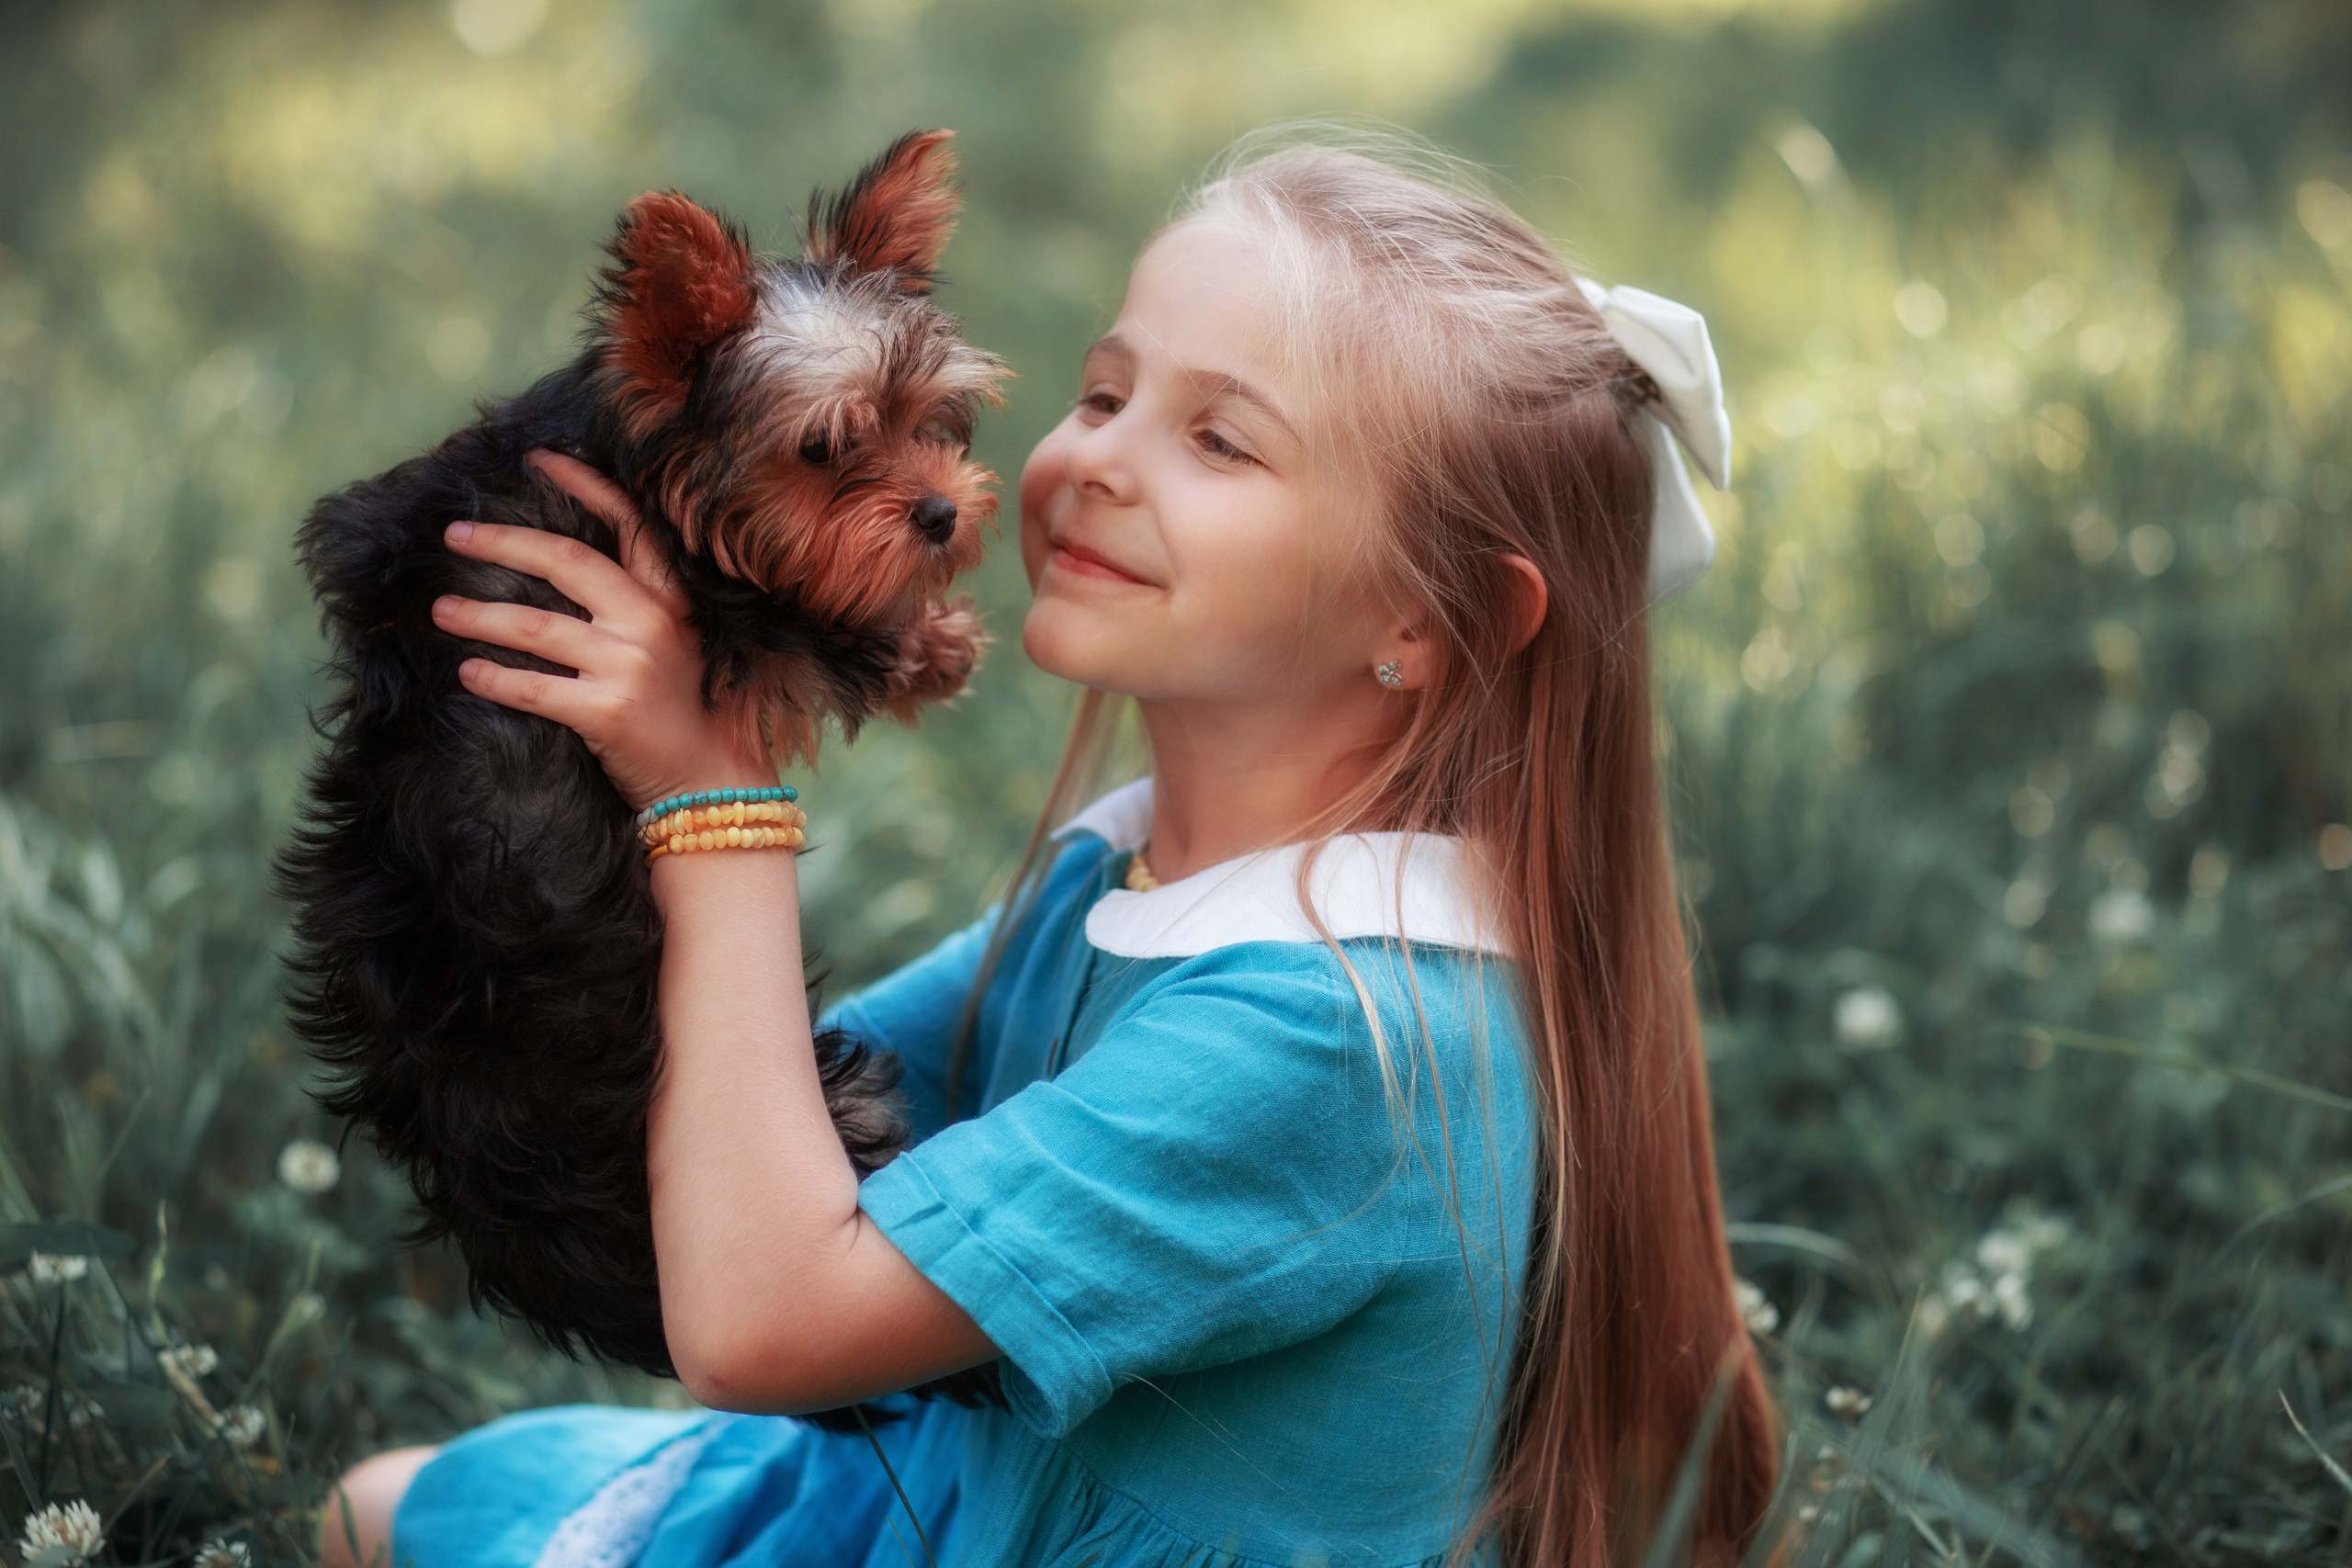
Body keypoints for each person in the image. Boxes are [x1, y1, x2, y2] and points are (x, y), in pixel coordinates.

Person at [322, 129, 1777, 1568]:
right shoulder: (1141, 869)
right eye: (1103, 390)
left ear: (1427, 622)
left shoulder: (1343, 1042)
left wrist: (714, 800)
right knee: (379, 1504)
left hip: (1016, 1521)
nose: (1095, 462)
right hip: (968, 1493)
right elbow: (742, 1117)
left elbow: (757, 1320)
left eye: (1220, 439)